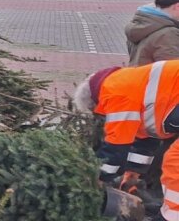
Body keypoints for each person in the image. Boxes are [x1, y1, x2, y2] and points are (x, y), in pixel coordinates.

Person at [72, 62, 179, 221]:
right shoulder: (125, 83)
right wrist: (132, 173)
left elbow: (115, 148)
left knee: (175, 161)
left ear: (95, 103)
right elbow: (147, 137)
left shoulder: (115, 92)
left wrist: (97, 179)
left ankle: (171, 216)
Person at [126, 0, 179, 66]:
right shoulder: (168, 34)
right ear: (177, 6)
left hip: (140, 76)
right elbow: (172, 71)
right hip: (155, 79)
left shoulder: (144, 23)